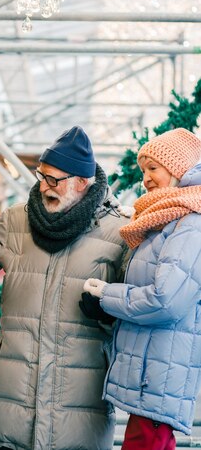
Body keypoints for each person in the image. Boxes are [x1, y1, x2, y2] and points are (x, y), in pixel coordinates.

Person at [0, 126, 130, 450]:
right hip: (15, 403)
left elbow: (137, 300)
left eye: (54, 180)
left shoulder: (119, 232)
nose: (44, 186)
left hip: (78, 410)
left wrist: (110, 308)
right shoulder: (18, 220)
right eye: (42, 175)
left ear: (82, 183)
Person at [83, 127, 201, 450]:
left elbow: (166, 300)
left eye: (153, 168)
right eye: (143, 170)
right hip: (153, 375)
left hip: (160, 377)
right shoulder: (165, 218)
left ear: (178, 170)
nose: (145, 178)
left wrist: (107, 296)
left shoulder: (190, 224)